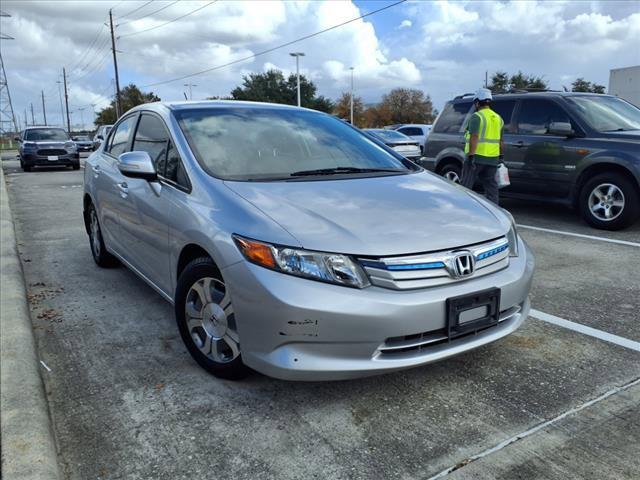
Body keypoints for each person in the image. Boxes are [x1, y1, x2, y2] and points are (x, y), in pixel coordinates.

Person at [461, 88, 504, 205]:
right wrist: (501, 156)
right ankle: (494, 211)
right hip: (492, 159)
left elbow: (474, 136)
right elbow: (500, 140)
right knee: (491, 188)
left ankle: (463, 209)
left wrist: (470, 156)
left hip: (477, 158)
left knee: (466, 186)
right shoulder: (498, 118)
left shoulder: (477, 116)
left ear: (477, 102)